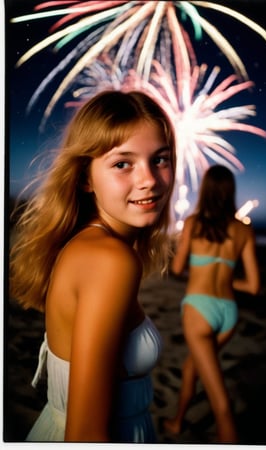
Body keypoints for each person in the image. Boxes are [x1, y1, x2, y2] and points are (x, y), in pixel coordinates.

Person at [9, 90, 176, 442]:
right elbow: (86, 435)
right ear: (85, 177)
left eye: (160, 159)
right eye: (122, 163)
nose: (149, 179)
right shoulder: (110, 260)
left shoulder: (87, 245)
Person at [164, 165, 260, 443]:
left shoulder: (194, 224)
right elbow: (253, 286)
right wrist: (226, 281)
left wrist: (183, 252)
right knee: (190, 368)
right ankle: (177, 421)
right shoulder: (243, 230)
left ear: (204, 190)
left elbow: (178, 267)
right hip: (228, 314)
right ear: (231, 191)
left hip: (199, 311)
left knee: (221, 405)